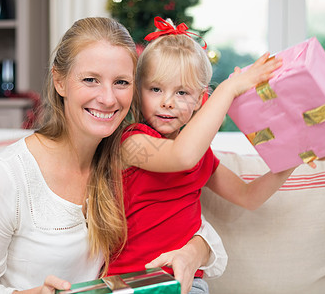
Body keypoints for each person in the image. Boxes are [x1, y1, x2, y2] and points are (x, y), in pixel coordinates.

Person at [0, 17, 224, 294]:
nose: (107, 98)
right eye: (90, 80)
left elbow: (185, 223)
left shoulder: (126, 156)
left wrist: (194, 252)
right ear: (59, 81)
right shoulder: (5, 177)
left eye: (121, 82)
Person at [107, 17, 295, 293]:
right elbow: (181, 156)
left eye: (182, 92)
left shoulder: (201, 156)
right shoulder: (131, 142)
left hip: (188, 281)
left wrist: (295, 156)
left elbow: (249, 196)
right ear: (138, 93)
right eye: (156, 89)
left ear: (200, 100)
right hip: (129, 282)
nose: (167, 101)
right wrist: (230, 89)